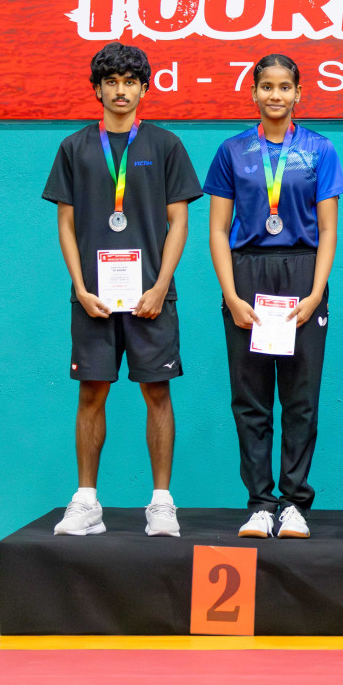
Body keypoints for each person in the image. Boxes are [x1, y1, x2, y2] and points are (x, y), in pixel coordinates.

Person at [43, 42, 202, 538]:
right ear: (96, 89)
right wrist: (79, 285)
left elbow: (180, 222)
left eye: (129, 81)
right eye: (110, 81)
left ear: (143, 88)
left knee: (158, 391)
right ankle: (87, 501)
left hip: (150, 297)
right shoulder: (74, 147)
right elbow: (66, 225)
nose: (120, 90)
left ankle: (161, 502)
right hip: (93, 299)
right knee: (92, 392)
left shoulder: (165, 145)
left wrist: (159, 286)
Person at [205, 54, 343, 539]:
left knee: (300, 399)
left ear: (298, 93)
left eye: (285, 86)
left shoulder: (320, 150)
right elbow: (219, 231)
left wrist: (314, 293)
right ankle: (261, 503)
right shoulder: (232, 150)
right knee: (251, 399)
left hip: (303, 274)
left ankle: (293, 503)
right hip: (248, 277)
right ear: (254, 92)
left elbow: (328, 231)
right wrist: (231, 294)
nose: (276, 95)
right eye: (267, 86)